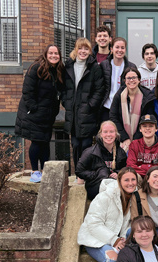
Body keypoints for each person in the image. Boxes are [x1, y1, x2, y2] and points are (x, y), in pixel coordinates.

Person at [15, 44, 64, 183]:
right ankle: (35, 172)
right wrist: (33, 108)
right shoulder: (36, 68)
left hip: (48, 115)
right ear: (46, 54)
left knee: (45, 142)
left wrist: (54, 110)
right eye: (51, 53)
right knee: (36, 142)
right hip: (34, 114)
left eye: (56, 53)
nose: (54, 55)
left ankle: (45, 170)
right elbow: (27, 91)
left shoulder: (57, 71)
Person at [62, 38, 104, 179]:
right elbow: (63, 89)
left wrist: (91, 105)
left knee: (86, 144)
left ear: (90, 51)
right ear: (75, 49)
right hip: (73, 113)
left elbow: (100, 90)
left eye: (86, 49)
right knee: (75, 144)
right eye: (80, 48)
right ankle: (77, 173)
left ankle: (83, 174)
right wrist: (66, 103)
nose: (83, 51)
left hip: (88, 113)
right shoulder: (68, 66)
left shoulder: (94, 67)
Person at [75, 120, 127, 200]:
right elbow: (79, 171)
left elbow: (125, 169)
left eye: (111, 132)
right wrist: (97, 174)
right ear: (100, 134)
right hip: (95, 185)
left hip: (114, 184)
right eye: (105, 132)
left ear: (116, 134)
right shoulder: (90, 152)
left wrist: (118, 174)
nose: (108, 134)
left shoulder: (121, 153)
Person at [109, 67, 155, 152]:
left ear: (139, 80)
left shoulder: (147, 97)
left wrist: (135, 140)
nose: (131, 80)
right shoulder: (119, 95)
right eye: (128, 78)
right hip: (123, 139)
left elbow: (147, 120)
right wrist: (125, 138)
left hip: (142, 137)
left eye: (134, 78)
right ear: (124, 81)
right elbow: (113, 117)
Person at [100, 37, 136, 123]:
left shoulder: (131, 67)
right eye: (117, 47)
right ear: (111, 49)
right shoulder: (103, 65)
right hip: (106, 107)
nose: (120, 50)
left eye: (122, 48)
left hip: (123, 108)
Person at [126, 114, 158, 180]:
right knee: (134, 176)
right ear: (140, 129)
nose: (147, 128)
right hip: (140, 177)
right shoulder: (134, 144)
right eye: (144, 126)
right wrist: (153, 169)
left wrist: (143, 167)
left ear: (156, 129)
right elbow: (130, 167)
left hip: (157, 178)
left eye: (151, 126)